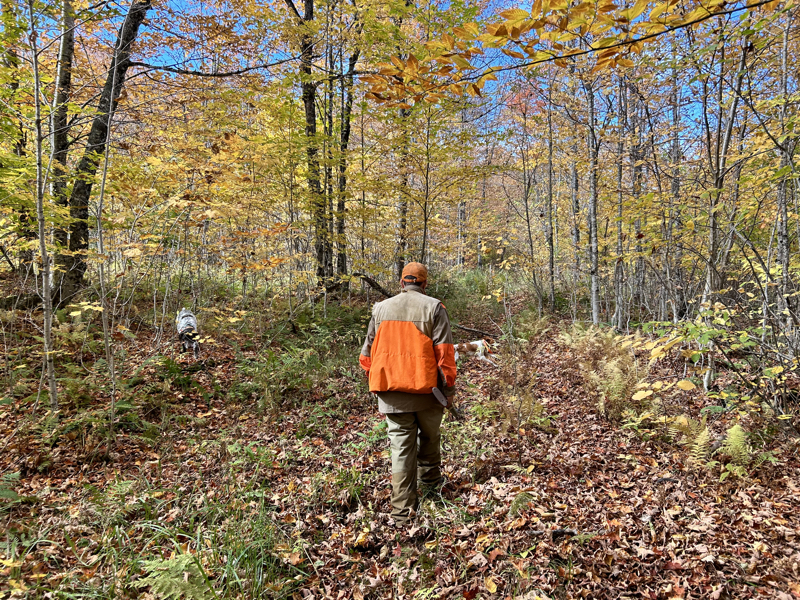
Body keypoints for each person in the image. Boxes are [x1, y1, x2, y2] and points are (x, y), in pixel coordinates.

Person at [359, 262, 457, 524]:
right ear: (424, 284)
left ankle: (402, 514)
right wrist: (449, 390)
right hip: (428, 391)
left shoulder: (380, 309)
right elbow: (445, 354)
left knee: (401, 450)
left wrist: (377, 379)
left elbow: (366, 354)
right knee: (430, 439)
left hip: (391, 392)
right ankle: (433, 494)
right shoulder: (434, 307)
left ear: (402, 283)